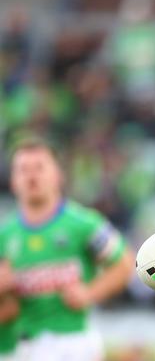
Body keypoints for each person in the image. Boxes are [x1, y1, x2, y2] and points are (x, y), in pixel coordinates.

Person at [0, 139, 134, 361]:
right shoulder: (5, 236)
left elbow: (124, 263)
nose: (32, 176)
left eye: (40, 167)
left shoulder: (84, 224)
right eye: (23, 169)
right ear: (13, 181)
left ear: (58, 175)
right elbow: (8, 310)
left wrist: (90, 293)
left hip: (71, 342)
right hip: (23, 344)